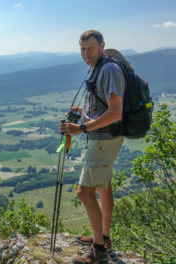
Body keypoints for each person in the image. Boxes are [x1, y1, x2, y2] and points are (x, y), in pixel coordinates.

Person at [59, 30, 125, 263]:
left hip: (103, 139)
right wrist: (82, 114)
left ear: (102, 46)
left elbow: (115, 113)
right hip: (103, 137)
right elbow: (103, 106)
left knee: (84, 192)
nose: (86, 53)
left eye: (91, 48)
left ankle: (99, 252)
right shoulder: (98, 68)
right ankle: (104, 237)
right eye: (82, 49)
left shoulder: (108, 69)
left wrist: (82, 128)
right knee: (103, 186)